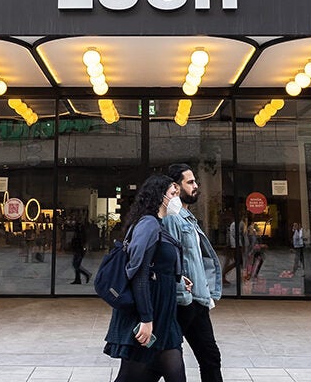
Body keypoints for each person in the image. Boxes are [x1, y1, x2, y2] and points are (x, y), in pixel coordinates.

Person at [103, 175, 188, 382]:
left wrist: (177, 278)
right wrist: (146, 319)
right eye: (173, 193)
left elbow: (157, 265)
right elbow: (139, 273)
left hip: (164, 315)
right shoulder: (148, 225)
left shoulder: (158, 225)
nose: (177, 197)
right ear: (160, 196)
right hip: (151, 314)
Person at [163, 163, 223, 382]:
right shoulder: (172, 218)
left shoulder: (188, 218)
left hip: (197, 300)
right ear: (176, 188)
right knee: (163, 360)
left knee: (210, 357)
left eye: (195, 181)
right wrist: (182, 291)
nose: (196, 186)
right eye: (190, 182)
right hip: (183, 302)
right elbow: (170, 260)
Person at [222, 217, 246, 285]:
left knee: (235, 262)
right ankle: (223, 275)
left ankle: (224, 275)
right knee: (237, 262)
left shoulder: (235, 224)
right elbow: (237, 236)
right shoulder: (236, 224)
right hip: (235, 246)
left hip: (234, 245)